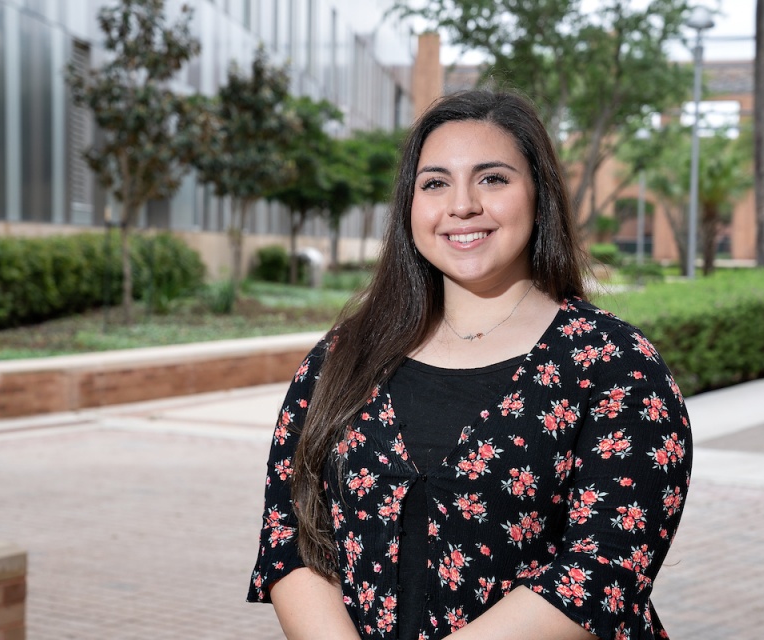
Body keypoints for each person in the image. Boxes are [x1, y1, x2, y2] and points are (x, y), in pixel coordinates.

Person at [247, 89, 691, 640]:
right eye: (435, 183)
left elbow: (604, 569)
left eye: (493, 179)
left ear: (539, 194)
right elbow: (290, 531)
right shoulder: (345, 355)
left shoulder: (613, 365)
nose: (462, 206)